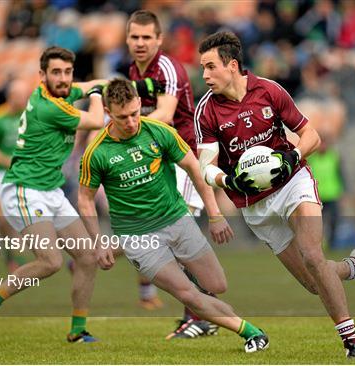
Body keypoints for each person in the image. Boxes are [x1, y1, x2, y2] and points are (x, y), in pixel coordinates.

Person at [194, 31, 355, 359]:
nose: (204, 75)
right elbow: (205, 167)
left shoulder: (270, 90)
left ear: (231, 65)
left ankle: (352, 342)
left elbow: (310, 135)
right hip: (256, 205)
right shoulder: (207, 111)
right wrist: (229, 180)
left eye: (210, 67)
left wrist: (293, 157)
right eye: (202, 68)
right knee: (315, 282)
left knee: (313, 255)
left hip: (293, 184)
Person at [78, 78, 269, 353]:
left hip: (177, 220)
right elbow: (84, 201)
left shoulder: (158, 131)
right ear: (108, 112)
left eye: (134, 113)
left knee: (216, 284)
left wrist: (215, 214)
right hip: (137, 236)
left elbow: (194, 167)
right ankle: (251, 333)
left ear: (140, 105)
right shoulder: (97, 152)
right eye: (122, 117)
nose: (131, 122)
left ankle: (194, 289)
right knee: (187, 294)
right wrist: (98, 241)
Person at [0, 46, 106, 344]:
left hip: (50, 190)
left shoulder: (61, 92)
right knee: (51, 261)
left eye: (68, 72)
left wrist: (125, 86)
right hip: (25, 190)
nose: (63, 78)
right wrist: (96, 92)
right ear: (42, 76)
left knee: (87, 256)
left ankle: (78, 329)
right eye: (56, 72)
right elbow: (94, 119)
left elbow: (87, 86)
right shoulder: (48, 106)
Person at [125, 9, 213, 336]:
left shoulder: (167, 68)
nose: (140, 42)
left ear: (159, 40)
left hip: (186, 158)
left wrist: (125, 128)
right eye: (135, 36)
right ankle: (200, 314)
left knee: (180, 239)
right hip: (161, 163)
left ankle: (200, 317)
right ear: (127, 38)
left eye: (147, 37)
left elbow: (164, 114)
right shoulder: (134, 70)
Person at [0, 79, 29, 272]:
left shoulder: (31, 117)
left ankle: (28, 256)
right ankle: (10, 256)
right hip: (1, 173)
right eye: (17, 95)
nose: (21, 99)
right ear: (10, 96)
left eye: (24, 96)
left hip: (26, 172)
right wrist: (7, 161)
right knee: (1, 218)